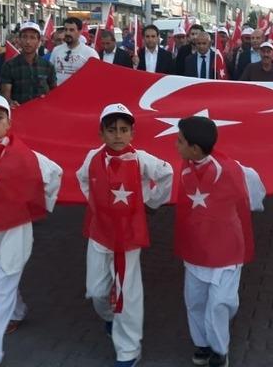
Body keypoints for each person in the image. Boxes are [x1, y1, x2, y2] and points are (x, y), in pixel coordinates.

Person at [0, 94, 62, 367]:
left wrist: (36, 205)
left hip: (14, 230)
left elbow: (54, 173)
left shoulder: (25, 155)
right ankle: (16, 311)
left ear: (8, 122)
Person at [76, 104, 174, 367]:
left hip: (129, 234)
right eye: (111, 130)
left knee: (127, 291)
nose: (118, 135)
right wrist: (97, 203)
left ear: (132, 133)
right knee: (96, 290)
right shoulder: (93, 157)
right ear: (101, 133)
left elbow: (167, 174)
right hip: (100, 232)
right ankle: (110, 318)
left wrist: (151, 203)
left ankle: (129, 350)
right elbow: (82, 178)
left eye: (123, 129)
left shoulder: (141, 159)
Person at [174, 116, 265, 367]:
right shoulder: (187, 166)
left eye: (180, 141)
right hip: (197, 245)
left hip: (226, 247)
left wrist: (252, 205)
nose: (176, 145)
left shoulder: (232, 170)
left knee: (220, 302)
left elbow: (254, 186)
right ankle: (202, 343)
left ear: (195, 148)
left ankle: (219, 349)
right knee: (195, 299)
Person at [0, 21, 56, 107]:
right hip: (19, 112)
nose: (28, 41)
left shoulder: (48, 66)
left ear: (39, 41)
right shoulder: (9, 66)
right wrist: (10, 102)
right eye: (24, 37)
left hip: (42, 111)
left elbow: (54, 93)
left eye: (32, 37)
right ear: (19, 40)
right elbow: (5, 95)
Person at [50, 17, 99, 85]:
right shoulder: (56, 50)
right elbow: (50, 73)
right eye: (66, 29)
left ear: (80, 31)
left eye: (71, 30)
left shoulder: (90, 53)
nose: (68, 33)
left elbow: (96, 77)